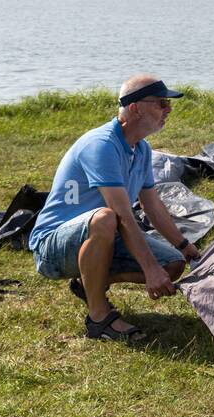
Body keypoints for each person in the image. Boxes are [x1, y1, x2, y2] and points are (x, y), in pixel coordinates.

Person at [27, 74, 200, 342]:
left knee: (172, 265)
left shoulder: (141, 148)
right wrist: (149, 268)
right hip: (52, 245)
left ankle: (90, 282)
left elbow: (151, 205)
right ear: (136, 108)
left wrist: (184, 246)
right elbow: (121, 215)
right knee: (106, 218)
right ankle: (99, 319)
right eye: (161, 103)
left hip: (103, 235)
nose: (168, 109)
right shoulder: (102, 145)